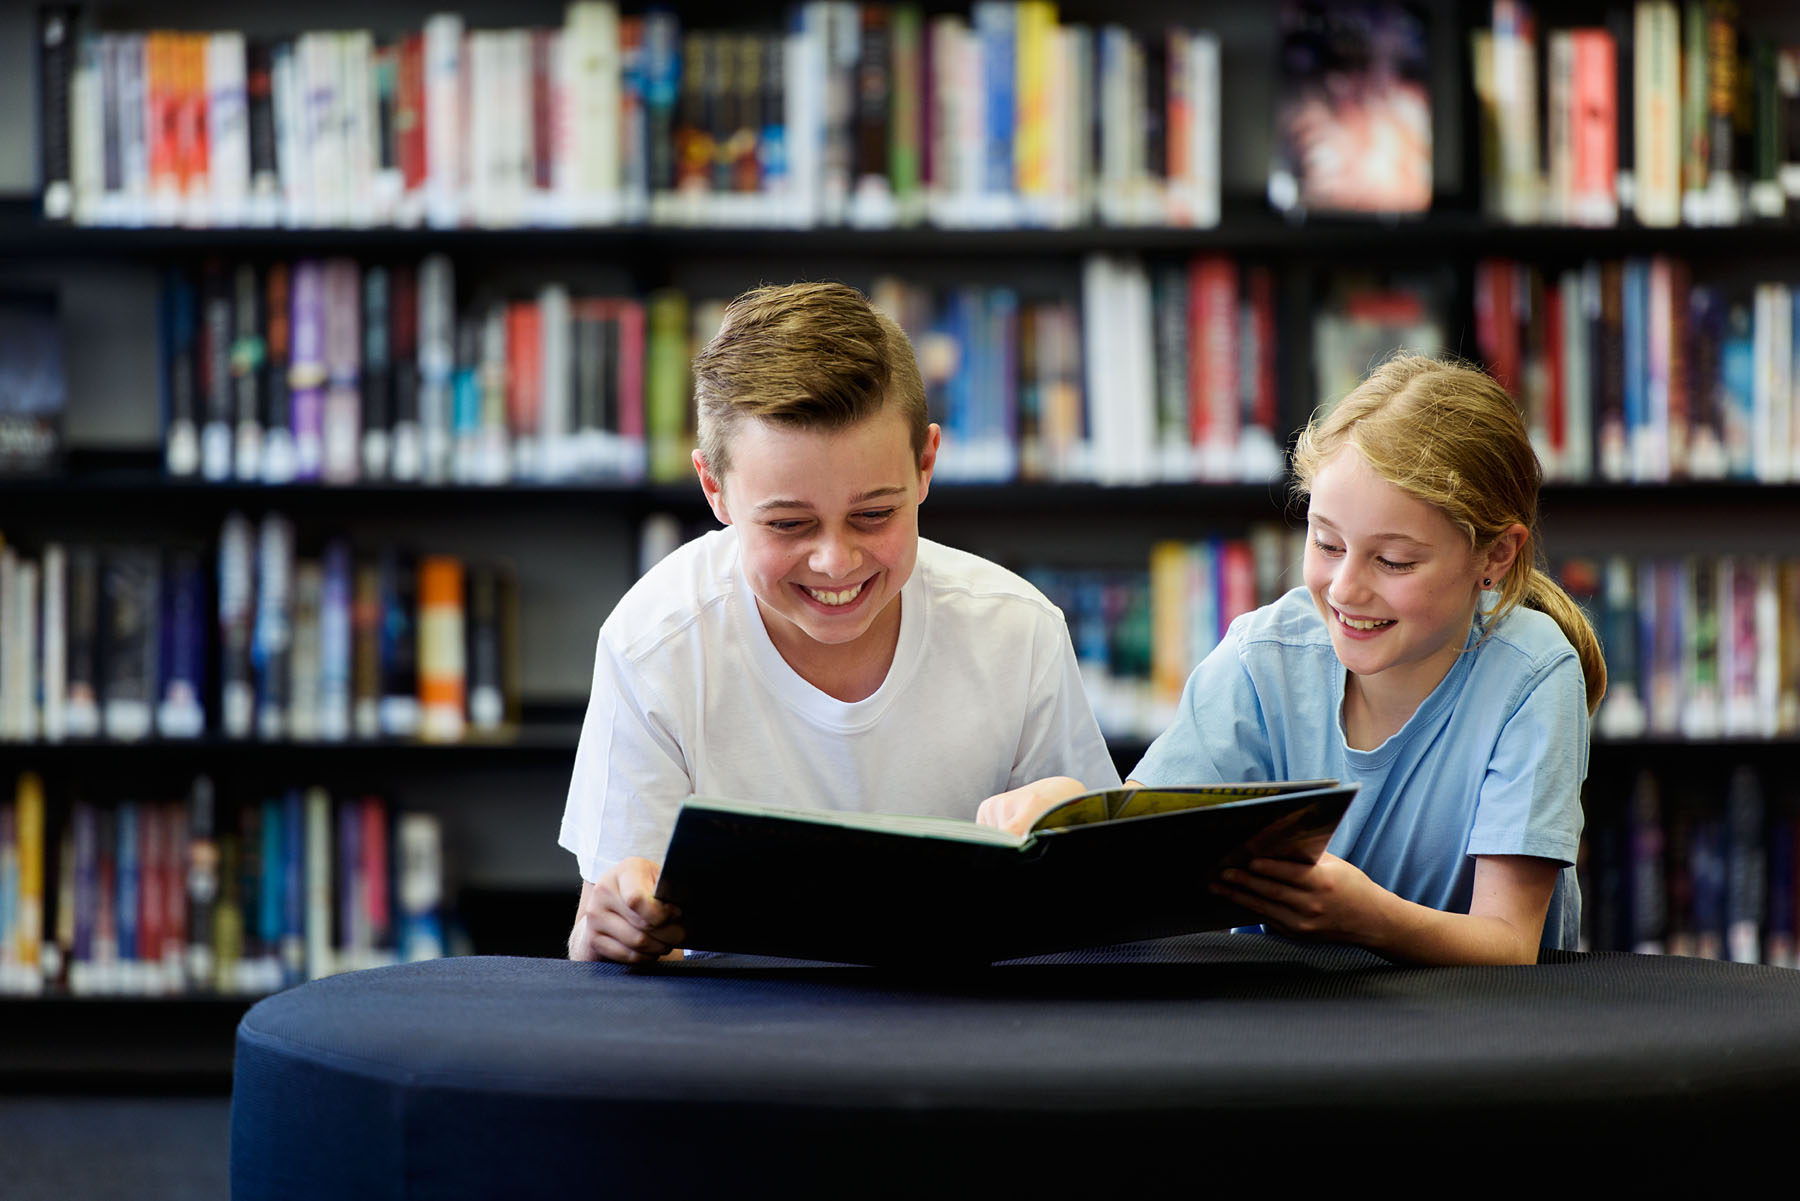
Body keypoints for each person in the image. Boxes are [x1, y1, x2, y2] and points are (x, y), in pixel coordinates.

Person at [980, 353, 1606, 966]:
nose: (1345, 589)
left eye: (1394, 561)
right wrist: (1070, 816)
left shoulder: (1533, 675)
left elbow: (1509, 942)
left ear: (1496, 556)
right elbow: (1144, 859)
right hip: (1287, 1028)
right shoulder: (1264, 656)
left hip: (1485, 1034)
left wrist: (1368, 919)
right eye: (1327, 542)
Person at [561, 281, 1120, 963]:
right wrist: (610, 933)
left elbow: (1098, 919)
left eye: (874, 514)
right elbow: (613, 923)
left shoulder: (1017, 631)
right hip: (735, 1041)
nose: (835, 561)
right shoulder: (653, 645)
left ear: (925, 467)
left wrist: (1072, 829)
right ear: (715, 489)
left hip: (965, 1033)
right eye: (790, 523)